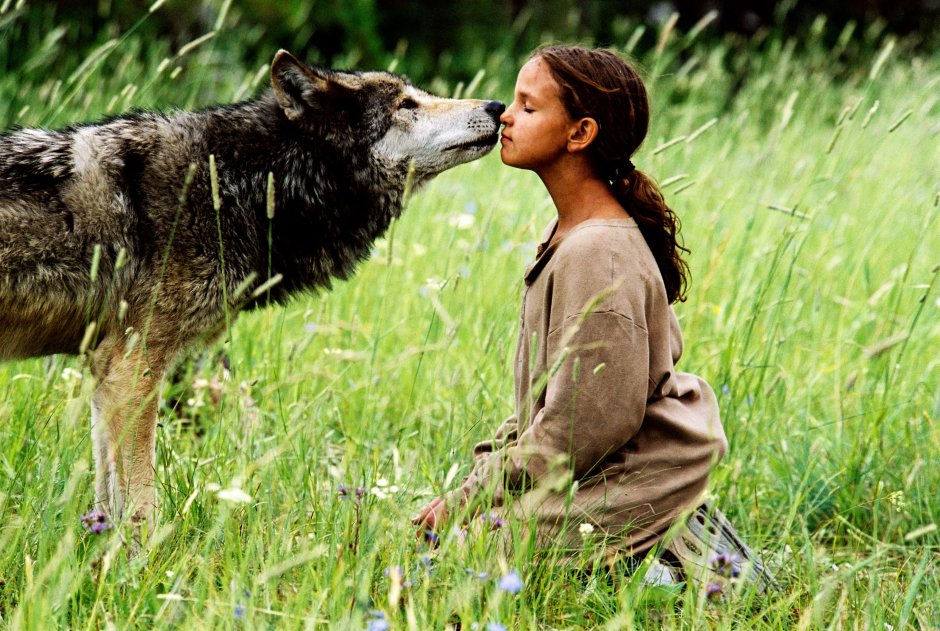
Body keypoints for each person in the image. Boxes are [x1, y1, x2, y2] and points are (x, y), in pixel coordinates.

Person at [413, 45, 770, 591]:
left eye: (528, 108)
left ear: (579, 134)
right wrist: (479, 480)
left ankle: (667, 560)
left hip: (625, 483)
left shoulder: (597, 251)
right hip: (586, 470)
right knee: (449, 548)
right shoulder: (574, 236)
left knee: (461, 565)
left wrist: (474, 497)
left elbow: (586, 429)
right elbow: (552, 407)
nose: (505, 115)